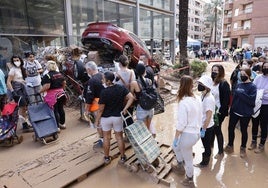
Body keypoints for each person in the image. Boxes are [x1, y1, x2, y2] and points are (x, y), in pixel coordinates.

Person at [95, 71, 134, 165]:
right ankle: (123, 157)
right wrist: (125, 109)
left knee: (106, 138)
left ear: (108, 81)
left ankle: (107, 158)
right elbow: (131, 97)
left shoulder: (104, 92)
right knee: (119, 137)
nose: (102, 80)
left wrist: (97, 120)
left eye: (103, 79)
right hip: (118, 117)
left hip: (106, 118)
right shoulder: (121, 88)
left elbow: (101, 109)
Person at [172, 75, 202, 187]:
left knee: (187, 158)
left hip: (187, 135)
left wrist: (176, 137)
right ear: (191, 85)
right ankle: (180, 165)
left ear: (181, 86)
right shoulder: (197, 98)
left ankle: (189, 180)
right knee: (176, 147)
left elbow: (181, 124)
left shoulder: (183, 102)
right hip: (196, 133)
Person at [224, 68, 257, 158]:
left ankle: (243, 148)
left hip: (245, 113)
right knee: (230, 128)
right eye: (241, 74)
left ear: (249, 75)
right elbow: (234, 98)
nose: (242, 76)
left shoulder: (252, 87)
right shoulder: (239, 85)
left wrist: (241, 93)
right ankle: (230, 145)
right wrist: (231, 109)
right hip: (235, 111)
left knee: (244, 131)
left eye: (244, 74)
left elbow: (251, 101)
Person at [6, 55, 32, 132]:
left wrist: (27, 83)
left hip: (22, 89)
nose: (16, 62)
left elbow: (19, 79)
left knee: (25, 107)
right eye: (14, 61)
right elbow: (8, 82)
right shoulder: (12, 70)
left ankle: (26, 123)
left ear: (20, 60)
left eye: (17, 60)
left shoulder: (21, 69)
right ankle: (24, 126)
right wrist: (13, 92)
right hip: (16, 90)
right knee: (22, 107)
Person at [39, 61, 67, 131]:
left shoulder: (47, 76)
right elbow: (64, 82)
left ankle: (57, 127)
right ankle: (62, 124)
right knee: (61, 108)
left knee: (55, 110)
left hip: (52, 96)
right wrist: (62, 89)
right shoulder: (60, 74)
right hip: (61, 93)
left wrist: (39, 91)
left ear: (48, 67)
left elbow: (47, 86)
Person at [211, 64, 231, 158]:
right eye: (213, 70)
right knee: (211, 129)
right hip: (211, 111)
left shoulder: (224, 83)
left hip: (219, 112)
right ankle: (210, 146)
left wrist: (220, 112)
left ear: (221, 72)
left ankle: (220, 152)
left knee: (217, 130)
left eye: (216, 70)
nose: (214, 72)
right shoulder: (212, 82)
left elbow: (226, 100)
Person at [84, 61, 104, 148]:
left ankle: (102, 140)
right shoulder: (102, 75)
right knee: (103, 122)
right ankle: (106, 137)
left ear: (89, 69)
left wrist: (87, 110)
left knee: (98, 123)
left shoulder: (92, 81)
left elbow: (89, 97)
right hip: (105, 103)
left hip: (96, 105)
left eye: (86, 70)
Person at [196, 75, 215, 167]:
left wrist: (203, 129)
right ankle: (207, 160)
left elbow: (208, 116)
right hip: (203, 125)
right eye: (199, 83)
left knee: (206, 145)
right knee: (206, 144)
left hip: (207, 127)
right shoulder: (203, 95)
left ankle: (205, 163)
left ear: (207, 86)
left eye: (201, 84)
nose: (199, 85)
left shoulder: (209, 99)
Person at [249, 61, 268, 153]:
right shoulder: (258, 77)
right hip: (256, 104)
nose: (266, 68)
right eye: (264, 66)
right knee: (255, 123)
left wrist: (261, 93)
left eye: (267, 67)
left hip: (266, 106)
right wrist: (263, 92)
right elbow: (253, 90)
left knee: (264, 125)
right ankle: (253, 141)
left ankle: (262, 144)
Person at [130, 63, 154, 131]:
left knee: (143, 131)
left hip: (141, 109)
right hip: (150, 108)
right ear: (144, 71)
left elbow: (132, 97)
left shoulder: (134, 83)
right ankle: (151, 140)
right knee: (148, 129)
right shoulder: (149, 81)